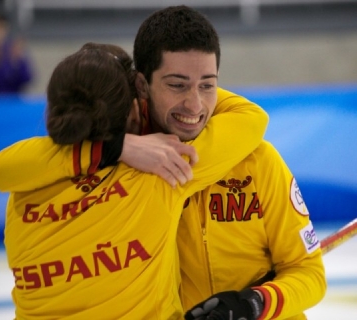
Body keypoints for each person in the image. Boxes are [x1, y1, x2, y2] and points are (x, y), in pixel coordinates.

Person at [0, 42, 268, 319]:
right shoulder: (163, 172)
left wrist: (112, 147)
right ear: (134, 110)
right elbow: (251, 117)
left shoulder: (25, 187)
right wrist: (182, 85)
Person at [131, 6, 326, 320]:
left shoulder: (259, 161)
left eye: (207, 85)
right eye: (177, 85)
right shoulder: (123, 173)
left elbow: (310, 276)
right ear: (142, 85)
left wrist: (253, 303)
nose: (195, 105)